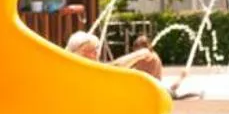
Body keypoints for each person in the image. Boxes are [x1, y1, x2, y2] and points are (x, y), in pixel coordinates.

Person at [64, 30, 199, 98]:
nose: (96, 54)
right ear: (80, 52)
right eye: (92, 50)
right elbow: (113, 68)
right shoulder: (81, 68)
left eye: (96, 49)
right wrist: (138, 55)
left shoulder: (78, 68)